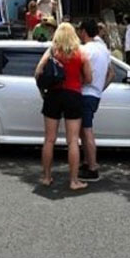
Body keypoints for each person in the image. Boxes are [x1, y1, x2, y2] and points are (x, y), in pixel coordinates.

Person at [34, 22, 92, 190]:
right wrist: (77, 80)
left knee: (49, 139)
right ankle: (74, 181)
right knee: (73, 140)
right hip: (73, 95)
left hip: (53, 95)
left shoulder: (53, 51)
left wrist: (43, 91)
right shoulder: (81, 52)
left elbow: (38, 71)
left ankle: (46, 177)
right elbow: (89, 78)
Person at [77, 19, 114, 182]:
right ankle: (87, 162)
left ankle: (92, 167)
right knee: (84, 130)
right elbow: (111, 73)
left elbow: (80, 74)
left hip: (84, 92)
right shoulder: (104, 50)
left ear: (83, 31)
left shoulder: (84, 50)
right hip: (95, 94)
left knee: (86, 130)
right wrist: (99, 88)